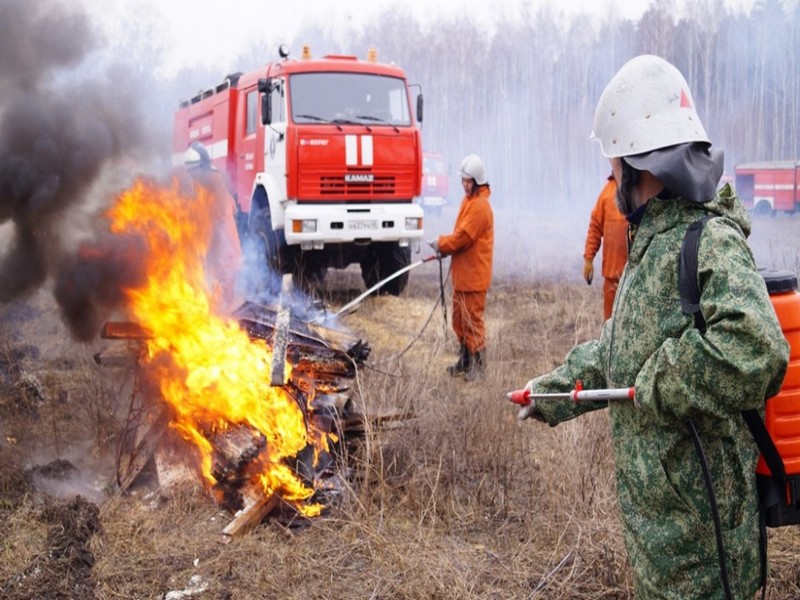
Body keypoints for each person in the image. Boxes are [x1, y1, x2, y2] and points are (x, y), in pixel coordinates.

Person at [514, 55, 789, 599]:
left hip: (702, 551)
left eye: (615, 163)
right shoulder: (653, 242)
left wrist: (662, 380)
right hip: (659, 547)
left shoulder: (705, 239)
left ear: (638, 168)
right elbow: (621, 351)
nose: (612, 175)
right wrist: (550, 392)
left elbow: (759, 348)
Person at [430, 154, 494, 382]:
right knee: (459, 321)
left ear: (478, 181)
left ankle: (479, 366)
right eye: (463, 181)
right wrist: (444, 247)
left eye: (468, 181)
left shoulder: (480, 207)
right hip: (463, 275)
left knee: (473, 322)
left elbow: (463, 238)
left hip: (474, 276)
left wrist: (441, 244)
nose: (465, 185)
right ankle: (465, 361)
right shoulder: (468, 201)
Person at [181, 141, 244, 312]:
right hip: (219, 254)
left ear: (201, 168)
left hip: (225, 254)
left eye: (193, 171)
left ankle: (227, 323)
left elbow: (214, 226)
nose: (191, 176)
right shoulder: (207, 182)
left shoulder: (214, 186)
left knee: (224, 291)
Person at [583, 175, 627, 320]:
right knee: (610, 323)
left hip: (637, 276)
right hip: (612, 276)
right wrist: (588, 259)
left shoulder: (640, 189)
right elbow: (595, 226)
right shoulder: (607, 193)